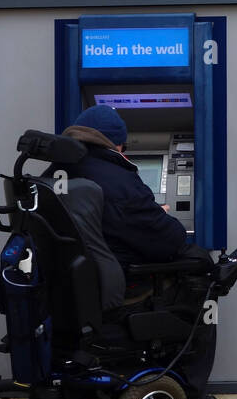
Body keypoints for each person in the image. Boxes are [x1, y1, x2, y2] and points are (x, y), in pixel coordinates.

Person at [50, 104, 206, 275]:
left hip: (63, 282)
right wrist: (155, 215)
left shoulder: (54, 172)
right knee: (198, 259)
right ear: (115, 145)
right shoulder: (120, 182)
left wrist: (146, 214)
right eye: (124, 148)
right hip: (114, 283)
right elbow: (171, 240)